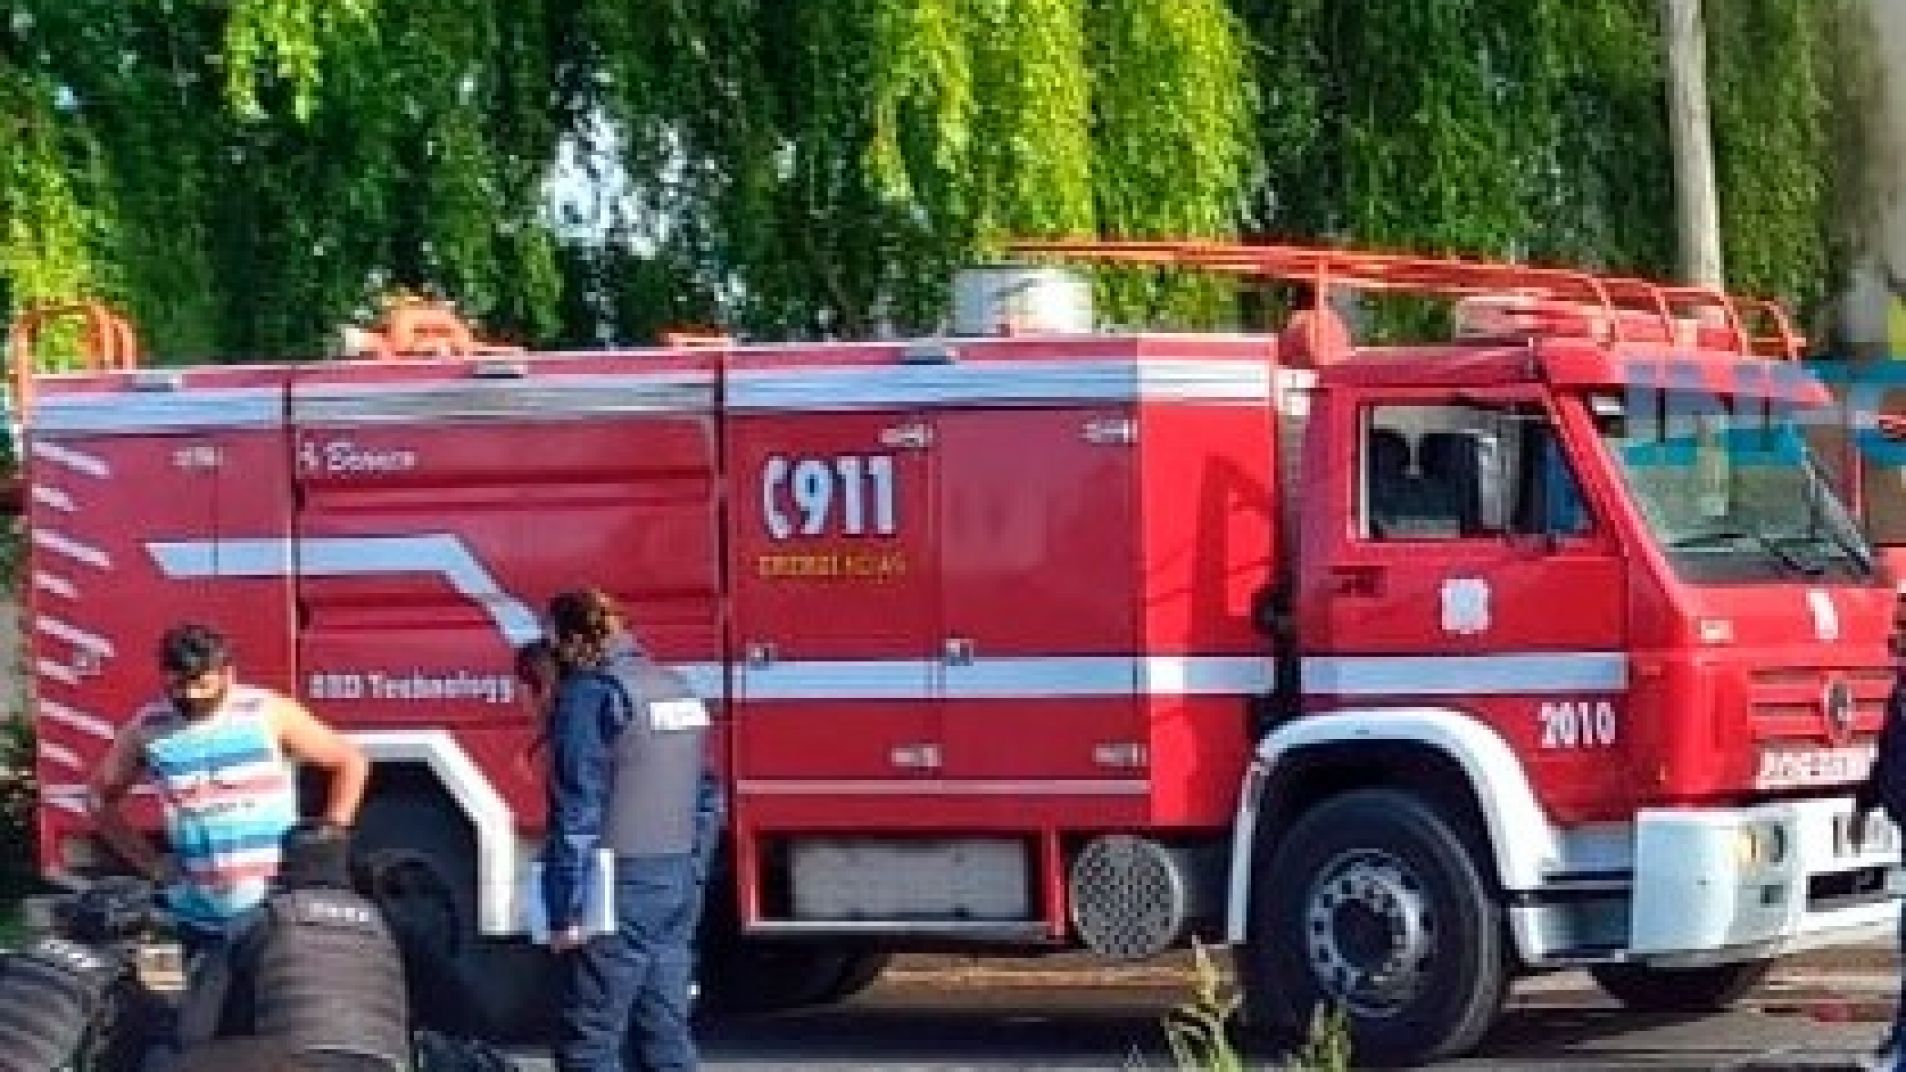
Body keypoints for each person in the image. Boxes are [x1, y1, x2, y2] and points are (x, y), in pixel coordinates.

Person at [86, 623, 370, 1056]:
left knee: (280, 1034)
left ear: (228, 673)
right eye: (180, 683)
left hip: (270, 914)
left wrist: (329, 839)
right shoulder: (148, 729)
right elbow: (99, 799)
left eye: (203, 681)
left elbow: (349, 761)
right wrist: (151, 864)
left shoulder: (268, 712)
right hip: (191, 919)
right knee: (184, 1033)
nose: (193, 694)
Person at [541, 589, 708, 1072]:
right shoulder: (675, 686)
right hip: (675, 876)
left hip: (617, 884)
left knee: (590, 1037)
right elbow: (707, 795)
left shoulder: (593, 694)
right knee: (663, 1031)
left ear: (570, 639)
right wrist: (693, 871)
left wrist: (564, 912)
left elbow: (579, 810)